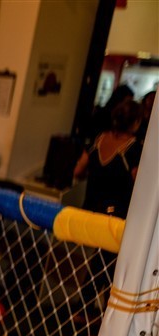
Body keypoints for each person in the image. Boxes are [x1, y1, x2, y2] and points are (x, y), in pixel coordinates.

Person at [74, 99, 143, 318]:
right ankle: (101, 312)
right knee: (109, 263)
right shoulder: (133, 148)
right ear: (136, 123)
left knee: (102, 260)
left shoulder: (99, 139)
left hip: (93, 210)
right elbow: (141, 183)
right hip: (117, 216)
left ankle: (90, 310)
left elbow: (78, 170)